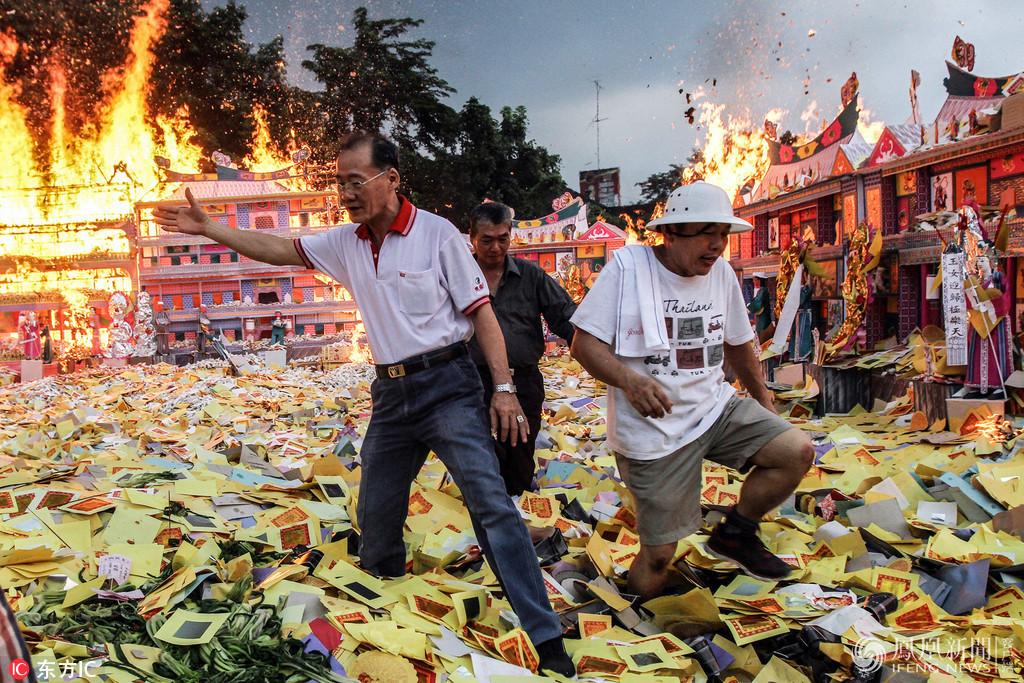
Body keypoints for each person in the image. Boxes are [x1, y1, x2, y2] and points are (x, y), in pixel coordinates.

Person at [153, 132, 574, 676]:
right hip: (392, 396)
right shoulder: (347, 244)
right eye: (340, 183)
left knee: (491, 505)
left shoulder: (438, 236)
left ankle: (546, 638)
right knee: (376, 516)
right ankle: (390, 624)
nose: (347, 193)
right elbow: (281, 248)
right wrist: (211, 229)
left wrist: (503, 388)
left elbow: (482, 316)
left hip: (448, 385)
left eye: (357, 181)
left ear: (391, 179)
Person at [569, 181, 815, 600]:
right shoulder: (629, 269)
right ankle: (637, 618)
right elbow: (583, 344)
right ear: (670, 233)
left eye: (722, 234)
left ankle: (737, 532)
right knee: (661, 553)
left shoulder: (720, 273)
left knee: (795, 451)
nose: (717, 245)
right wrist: (630, 380)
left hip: (713, 409)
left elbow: (738, 344)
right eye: (705, 233)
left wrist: (764, 402)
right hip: (655, 432)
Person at [467, 202, 577, 496]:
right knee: (476, 457)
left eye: (503, 238)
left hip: (523, 381)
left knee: (518, 451)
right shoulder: (458, 276)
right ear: (472, 238)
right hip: (471, 382)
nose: (495, 247)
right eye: (487, 240)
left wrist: (594, 350)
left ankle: (517, 514)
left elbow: (566, 319)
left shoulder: (531, 276)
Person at [747, 273, 773, 341]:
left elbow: (757, 304)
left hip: (763, 322)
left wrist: (747, 310)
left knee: (763, 341)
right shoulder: (762, 290)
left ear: (759, 280)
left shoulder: (763, 291)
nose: (753, 282)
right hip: (762, 321)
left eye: (755, 280)